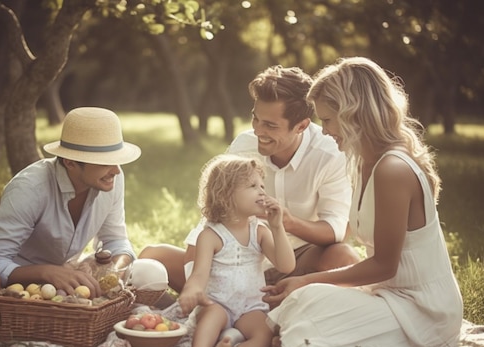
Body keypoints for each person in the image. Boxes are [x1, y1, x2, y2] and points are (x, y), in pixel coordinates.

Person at [262, 57, 464, 347]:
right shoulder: (359, 162)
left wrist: (306, 280)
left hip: (423, 310)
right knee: (307, 302)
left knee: (305, 299)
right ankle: (304, 339)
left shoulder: (392, 168)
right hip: (388, 295)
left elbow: (384, 265)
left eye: (328, 120)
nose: (324, 131)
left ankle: (305, 341)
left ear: (354, 114)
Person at [140, 65, 360, 296]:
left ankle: (265, 307)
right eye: (256, 119)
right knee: (153, 258)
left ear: (301, 126)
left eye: (270, 125)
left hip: (300, 262)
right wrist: (196, 273)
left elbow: (336, 230)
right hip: (239, 259)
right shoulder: (243, 146)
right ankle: (241, 308)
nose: (258, 131)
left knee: (343, 257)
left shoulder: (330, 154)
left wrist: (287, 222)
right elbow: (215, 212)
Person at [0, 107, 141, 298]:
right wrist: (45, 272)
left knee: (151, 272)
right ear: (70, 163)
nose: (116, 170)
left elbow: (116, 240)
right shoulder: (29, 189)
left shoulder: (111, 177)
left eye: (117, 161)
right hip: (16, 288)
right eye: (104, 162)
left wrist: (114, 270)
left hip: (66, 280)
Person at [178, 155, 295, 347]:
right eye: (252, 186)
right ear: (225, 195)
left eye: (262, 185)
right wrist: (192, 290)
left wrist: (277, 227)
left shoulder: (259, 231)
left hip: (251, 307)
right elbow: (199, 274)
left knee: (264, 332)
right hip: (217, 303)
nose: (262, 191)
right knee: (210, 319)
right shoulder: (211, 235)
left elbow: (286, 265)